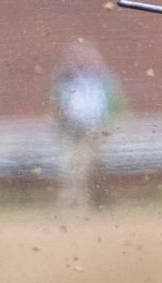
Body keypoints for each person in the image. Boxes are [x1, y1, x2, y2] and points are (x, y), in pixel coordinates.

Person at [51, 42, 122, 207]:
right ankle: (74, 204)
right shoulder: (66, 80)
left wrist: (112, 123)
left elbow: (113, 103)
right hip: (74, 130)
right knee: (74, 167)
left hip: (97, 129)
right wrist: (63, 119)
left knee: (96, 167)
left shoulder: (103, 79)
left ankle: (99, 204)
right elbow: (59, 106)